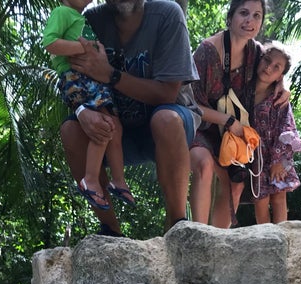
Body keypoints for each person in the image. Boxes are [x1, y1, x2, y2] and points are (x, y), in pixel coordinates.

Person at [59, 0, 201, 236]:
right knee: (70, 130)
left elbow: (167, 93)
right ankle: (110, 230)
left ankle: (177, 224)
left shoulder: (167, 14)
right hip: (116, 131)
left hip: (168, 124)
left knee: (166, 119)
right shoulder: (90, 21)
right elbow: (69, 73)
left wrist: (110, 74)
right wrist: (82, 112)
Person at [189, 0, 288, 228]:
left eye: (256, 16)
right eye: (244, 13)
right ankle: (197, 235)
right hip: (201, 127)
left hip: (232, 137)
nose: (250, 21)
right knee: (204, 165)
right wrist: (228, 121)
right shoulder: (207, 51)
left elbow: (276, 65)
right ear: (231, 16)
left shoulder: (256, 53)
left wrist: (283, 84)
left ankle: (218, 243)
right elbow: (190, 105)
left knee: (237, 181)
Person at [43, 0, 135, 210]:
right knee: (102, 126)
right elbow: (50, 42)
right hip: (76, 77)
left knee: (115, 126)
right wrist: (85, 47)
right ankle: (90, 180)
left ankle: (119, 180)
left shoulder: (82, 18)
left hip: (91, 77)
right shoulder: (62, 12)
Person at [251, 42, 301, 223]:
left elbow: (287, 129)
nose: (268, 68)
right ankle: (265, 241)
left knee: (279, 195)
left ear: (280, 76)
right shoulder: (243, 92)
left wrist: (278, 161)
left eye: (276, 67)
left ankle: (281, 236)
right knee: (260, 199)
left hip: (277, 155)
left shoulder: (279, 99)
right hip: (253, 156)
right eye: (267, 60)